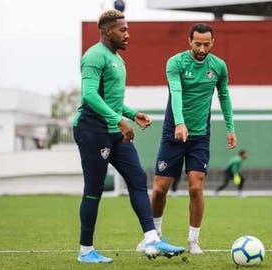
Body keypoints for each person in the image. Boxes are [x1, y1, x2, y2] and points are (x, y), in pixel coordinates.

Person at [73, 9, 184, 264]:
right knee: (94, 190)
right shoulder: (93, 57)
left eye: (127, 29)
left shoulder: (117, 59)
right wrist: (119, 121)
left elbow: (112, 101)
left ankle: (152, 239)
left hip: (114, 130)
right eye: (122, 30)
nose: (127, 34)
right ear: (106, 31)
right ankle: (86, 251)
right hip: (91, 130)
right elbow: (90, 96)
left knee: (137, 178)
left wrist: (132, 114)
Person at [136, 23, 236, 254]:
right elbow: (176, 92)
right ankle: (155, 235)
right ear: (189, 41)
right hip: (173, 133)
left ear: (213, 42)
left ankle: (193, 241)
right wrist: (180, 123)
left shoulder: (219, 66)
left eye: (206, 44)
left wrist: (231, 128)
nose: (202, 48)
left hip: (200, 136)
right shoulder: (175, 63)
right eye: (197, 43)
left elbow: (224, 95)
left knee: (196, 187)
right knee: (160, 188)